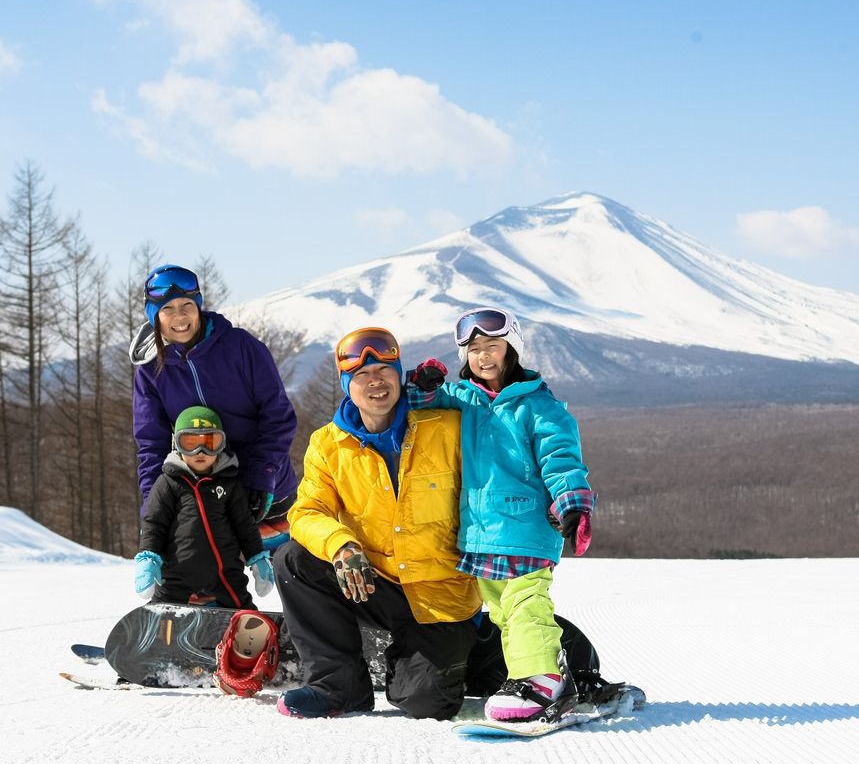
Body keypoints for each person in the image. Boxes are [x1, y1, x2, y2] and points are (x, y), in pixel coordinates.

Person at [272, 327, 481, 720]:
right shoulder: (328, 444)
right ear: (346, 385)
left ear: (400, 375)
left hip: (439, 595)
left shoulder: (445, 427)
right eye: (362, 374)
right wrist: (340, 544)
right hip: (373, 580)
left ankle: (490, 646)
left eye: (384, 370)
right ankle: (338, 687)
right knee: (293, 559)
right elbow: (306, 511)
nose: (375, 381)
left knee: (423, 701)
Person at [405, 306, 596, 722]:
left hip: (527, 526)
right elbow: (421, 402)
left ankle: (541, 677)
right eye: (474, 350)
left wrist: (573, 504)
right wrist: (424, 380)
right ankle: (527, 676)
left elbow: (562, 460)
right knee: (504, 612)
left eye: (492, 346)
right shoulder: (466, 398)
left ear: (512, 349)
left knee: (527, 601)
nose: (484, 356)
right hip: (480, 531)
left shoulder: (539, 406)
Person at [130, 264, 299, 551]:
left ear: (199, 307)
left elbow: (278, 416)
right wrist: (153, 507)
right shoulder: (150, 369)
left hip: (265, 488)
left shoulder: (241, 347)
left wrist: (262, 474)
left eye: (187, 305)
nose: (180, 316)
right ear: (154, 315)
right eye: (167, 308)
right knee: (209, 582)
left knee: (284, 572)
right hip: (203, 495)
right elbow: (151, 443)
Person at [134, 405, 275, 609]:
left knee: (240, 608)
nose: (200, 451)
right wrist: (148, 556)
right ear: (177, 444)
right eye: (190, 443)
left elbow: (245, 525)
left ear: (222, 444)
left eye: (210, 442)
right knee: (163, 611)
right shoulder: (168, 482)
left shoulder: (230, 482)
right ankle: (155, 636)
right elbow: (153, 523)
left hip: (224, 573)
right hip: (176, 572)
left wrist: (257, 557)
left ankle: (251, 636)